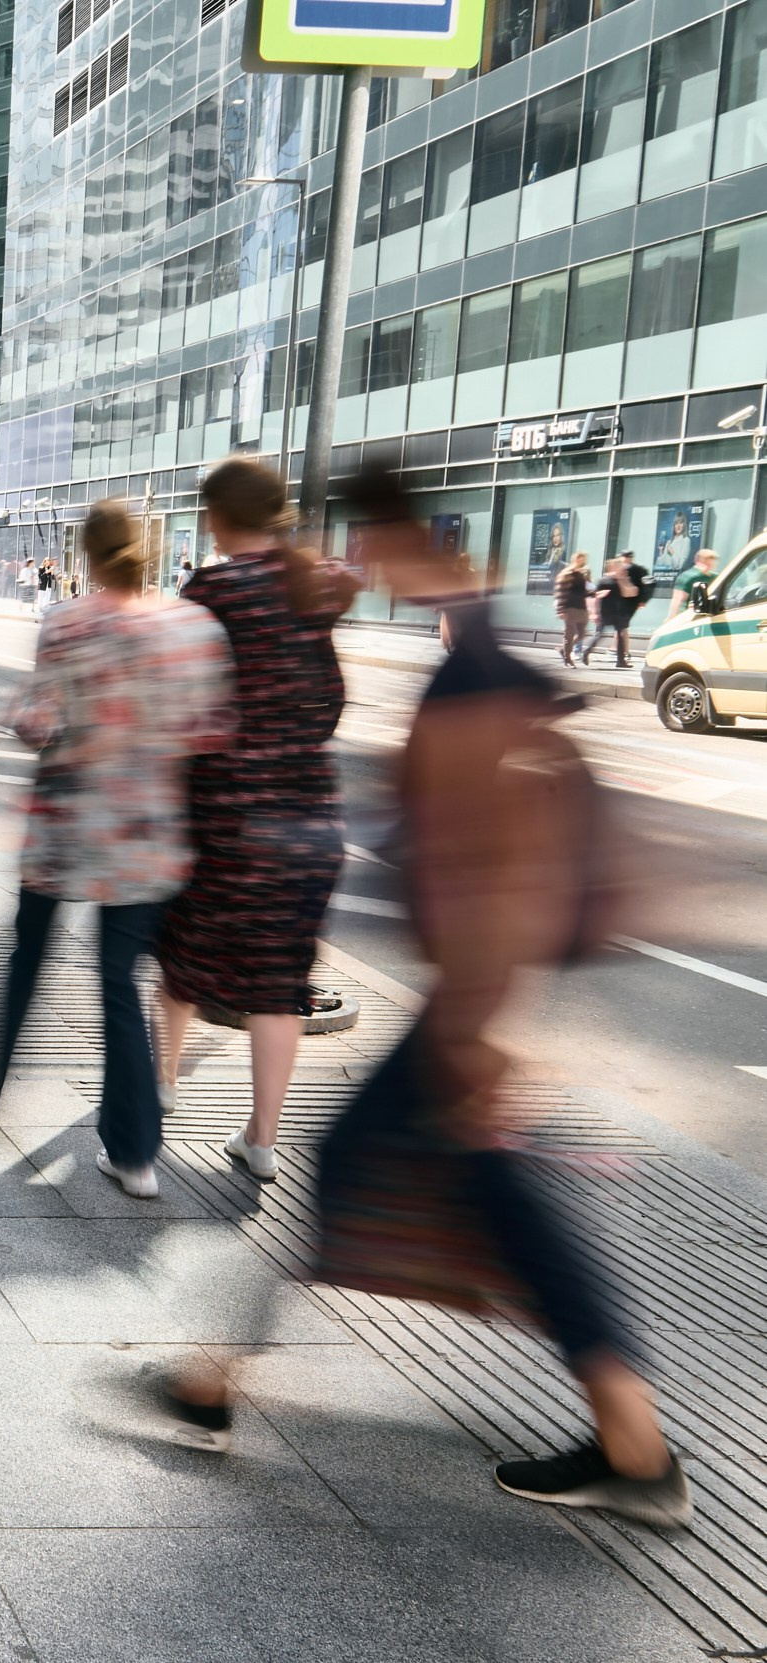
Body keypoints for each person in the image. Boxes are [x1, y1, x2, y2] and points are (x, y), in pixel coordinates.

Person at [160, 467, 689, 1528]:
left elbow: (498, 850)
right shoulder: (473, 636)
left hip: (465, 998)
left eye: (374, 544)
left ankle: (215, 1379)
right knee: (420, 1179)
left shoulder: (475, 672)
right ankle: (214, 1378)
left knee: (487, 1195)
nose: (362, 567)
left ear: (401, 541)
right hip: (466, 991)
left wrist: (475, 1021)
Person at [0, 500, 232, 1198]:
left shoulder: (68, 623)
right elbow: (210, 730)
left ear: (88, 557)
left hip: (66, 828)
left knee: (30, 951)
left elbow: (40, 719)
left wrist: (20, 716)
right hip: (147, 835)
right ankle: (135, 1154)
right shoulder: (192, 627)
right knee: (119, 985)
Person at [156, 457, 355, 1182]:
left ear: (218, 517)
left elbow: (182, 700)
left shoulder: (211, 590)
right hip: (310, 816)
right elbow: (331, 701)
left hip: (224, 816)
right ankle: (262, 1138)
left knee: (182, 954)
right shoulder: (312, 585)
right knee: (282, 981)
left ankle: (164, 1083)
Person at [595, 550, 651, 669]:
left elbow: (645, 587)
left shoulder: (638, 570)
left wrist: (643, 600)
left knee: (622, 630)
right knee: (619, 630)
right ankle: (620, 654)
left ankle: (621, 655)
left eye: (624, 558)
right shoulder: (614, 574)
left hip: (628, 604)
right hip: (617, 606)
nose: (623, 562)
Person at [553, 551, 592, 667]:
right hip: (569, 607)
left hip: (581, 607)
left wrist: (595, 594)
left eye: (583, 559)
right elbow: (560, 591)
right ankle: (567, 658)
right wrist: (560, 609)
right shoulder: (566, 573)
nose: (581, 561)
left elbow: (584, 591)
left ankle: (563, 649)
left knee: (582, 634)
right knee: (569, 634)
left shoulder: (581, 574)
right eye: (579, 559)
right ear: (574, 559)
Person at [672, 546, 720, 618]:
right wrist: (671, 618)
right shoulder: (688, 577)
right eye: (705, 562)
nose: (708, 566)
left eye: (711, 563)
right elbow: (677, 599)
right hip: (687, 616)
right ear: (697, 561)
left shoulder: (715, 577)